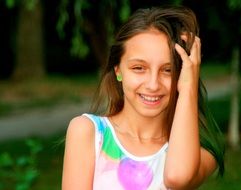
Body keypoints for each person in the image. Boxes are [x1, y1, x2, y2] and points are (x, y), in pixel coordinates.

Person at [62, 5, 225, 190]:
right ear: (118, 70)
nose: (153, 84)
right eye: (139, 68)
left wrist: (188, 88)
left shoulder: (199, 150)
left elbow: (177, 177)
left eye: (168, 70)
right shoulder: (89, 133)